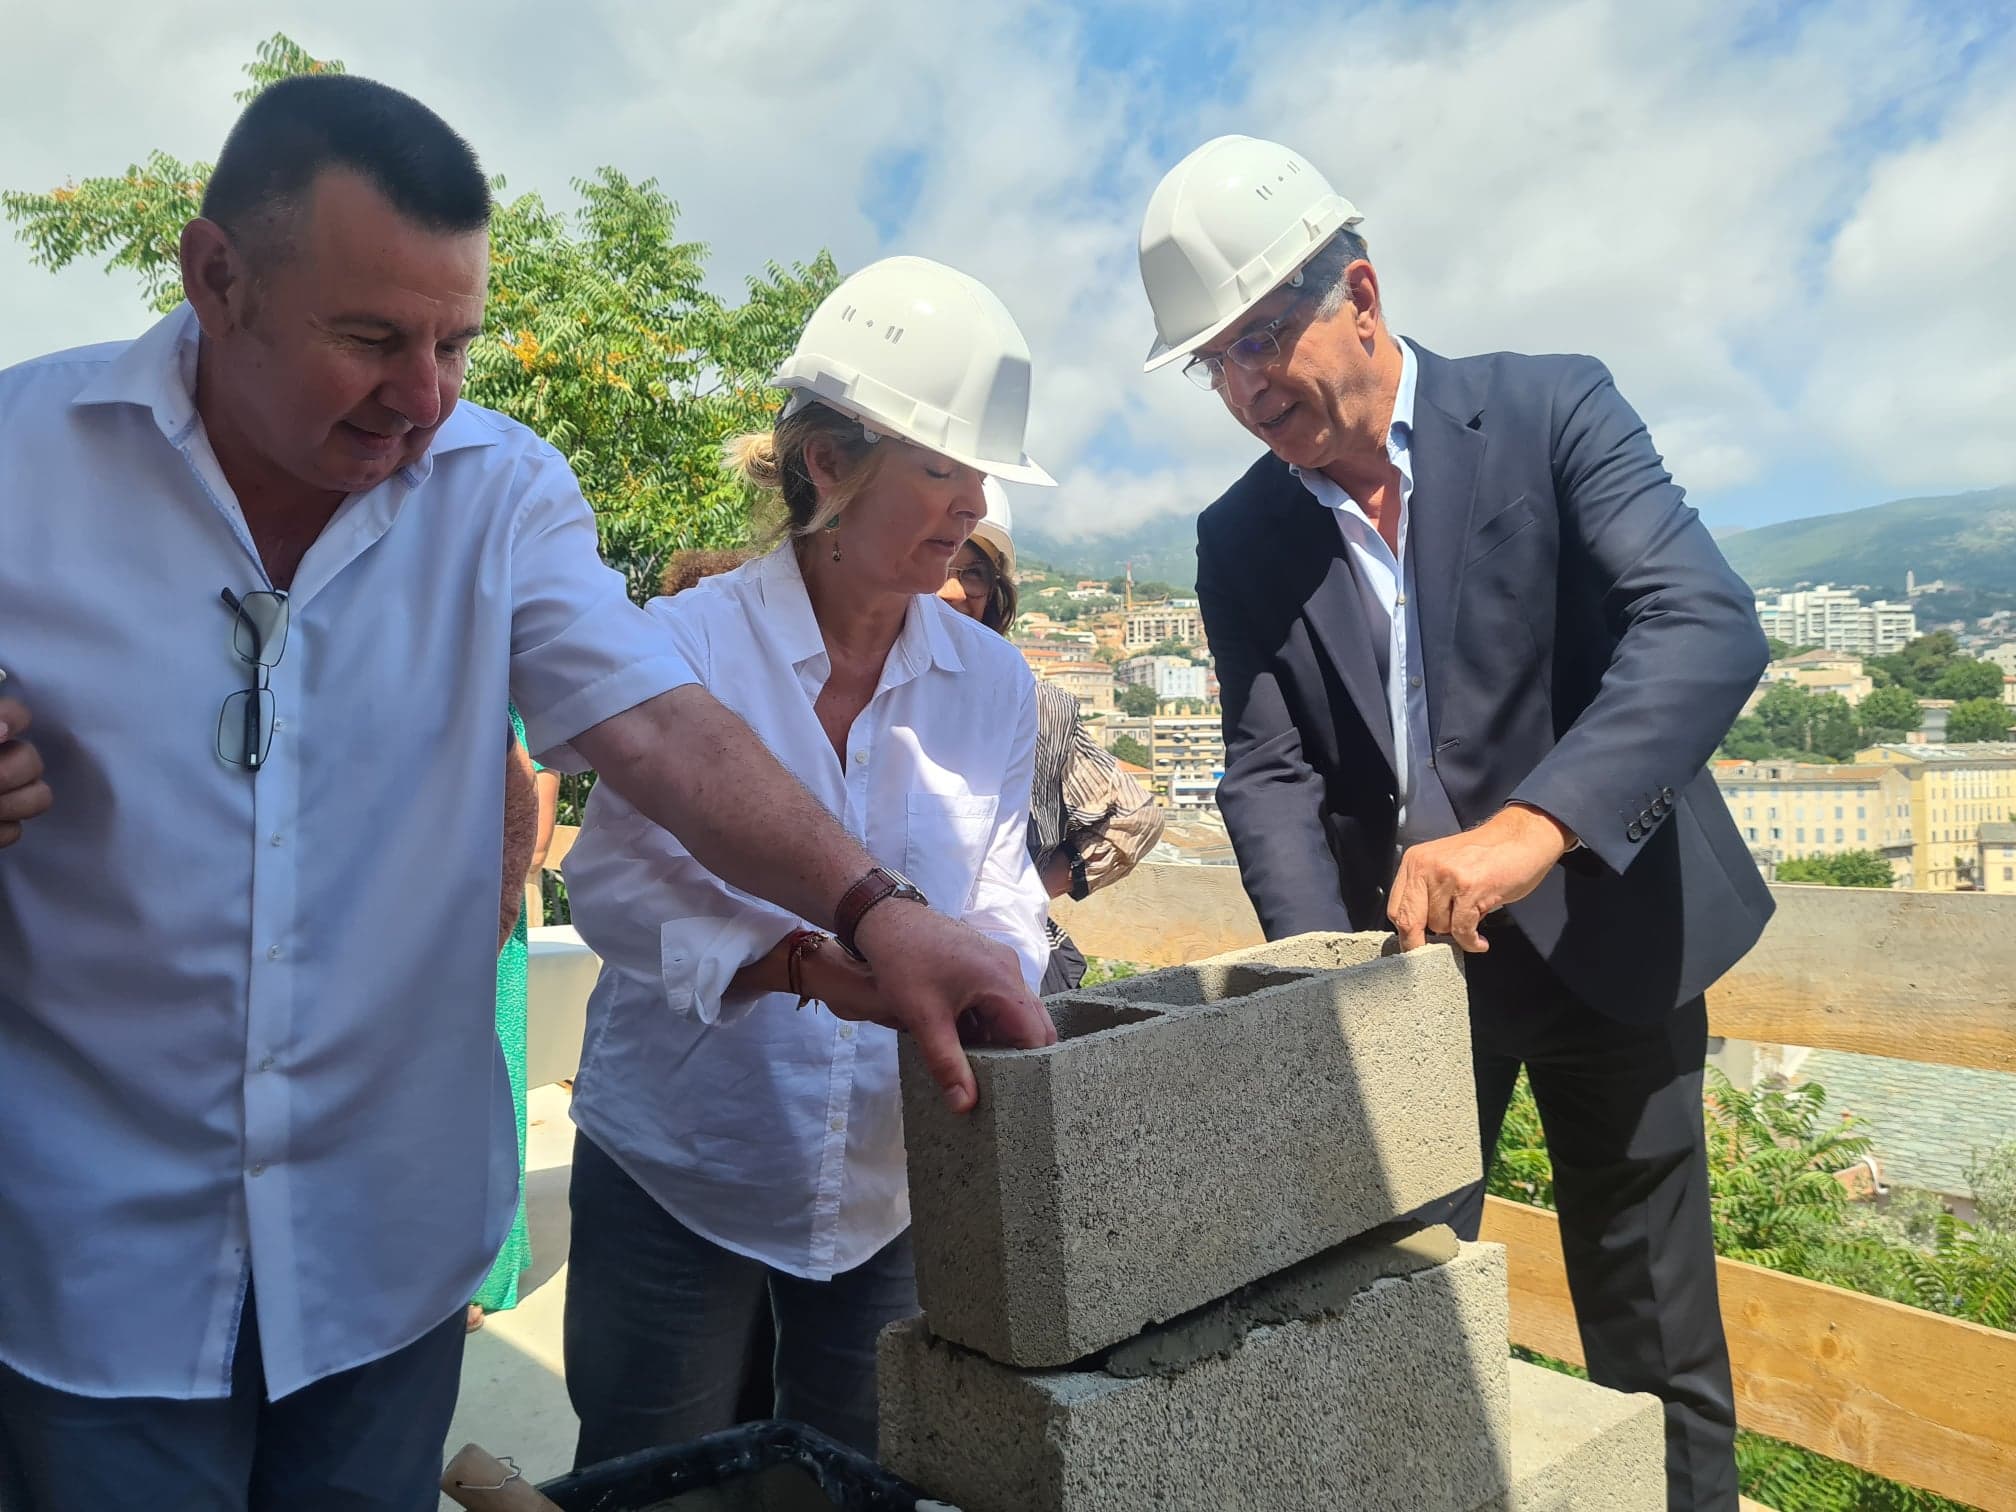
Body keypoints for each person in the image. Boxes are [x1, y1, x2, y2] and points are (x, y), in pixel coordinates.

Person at [0, 76, 1051, 1512]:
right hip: (89, 1262)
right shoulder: (22, 463)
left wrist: (876, 910)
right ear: (214, 278)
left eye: (456, 342)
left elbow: (665, 737)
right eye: (371, 339)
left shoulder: (496, 491)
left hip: (381, 1266)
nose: (425, 398)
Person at [1139, 135, 1772, 1511]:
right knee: (1393, 1305)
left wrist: (1537, 824)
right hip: (1409, 979)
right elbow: (1268, 771)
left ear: (1359, 292)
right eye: (1215, 363)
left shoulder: (1552, 410)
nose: (1246, 385)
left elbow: (1707, 624)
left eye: (1260, 338)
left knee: (1654, 1328)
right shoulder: (1237, 535)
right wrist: (1335, 975)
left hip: (1617, 927)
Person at [560, 255, 1053, 1463]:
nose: (971, 504)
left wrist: (999, 980)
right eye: (942, 470)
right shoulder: (683, 646)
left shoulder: (991, 680)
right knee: (650, 1470)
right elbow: (613, 883)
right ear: (827, 467)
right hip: (683, 1162)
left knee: (859, 1472)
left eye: (978, 474)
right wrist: (801, 965)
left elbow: (1004, 891)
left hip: (890, 1184)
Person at [937, 481, 1165, 991]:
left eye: (971, 573)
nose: (954, 592)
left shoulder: (1038, 706)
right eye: (939, 567)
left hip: (1011, 970)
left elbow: (1134, 816)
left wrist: (1023, 893)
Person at [468, 706, 560, 1332]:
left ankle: (489, 1272)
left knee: (492, 1101)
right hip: (411, 929)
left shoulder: (524, 719)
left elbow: (540, 840)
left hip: (490, 935)